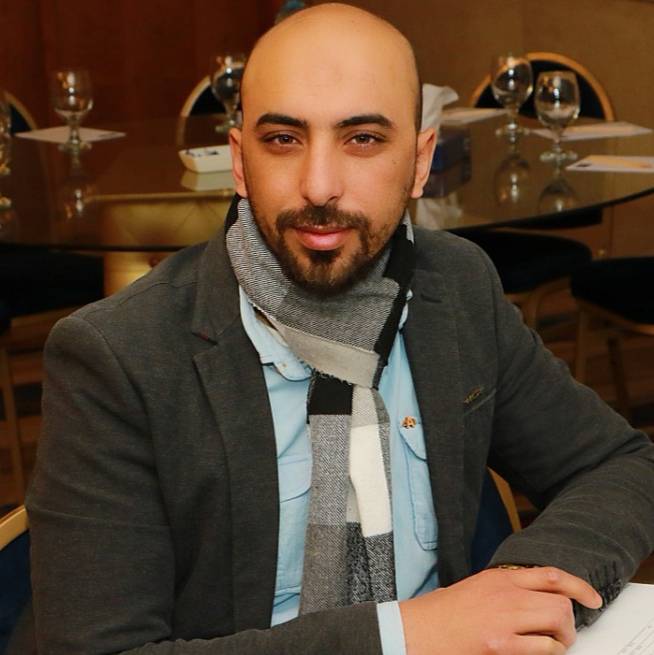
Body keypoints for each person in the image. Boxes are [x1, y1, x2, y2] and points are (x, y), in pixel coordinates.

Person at [27, 4, 654, 655]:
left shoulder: (456, 287)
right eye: (283, 139)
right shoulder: (117, 356)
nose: (319, 186)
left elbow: (619, 464)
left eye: (363, 139)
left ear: (420, 161)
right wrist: (405, 634)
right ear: (239, 162)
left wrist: (519, 589)